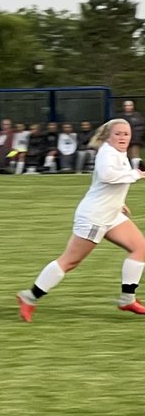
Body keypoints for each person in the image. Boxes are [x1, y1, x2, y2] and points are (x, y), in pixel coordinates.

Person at [16, 119, 145, 321]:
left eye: (126, 134)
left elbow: (105, 183)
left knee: (141, 248)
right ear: (108, 136)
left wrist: (119, 202)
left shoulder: (118, 152)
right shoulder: (107, 152)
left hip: (111, 214)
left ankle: (127, 299)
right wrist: (135, 174)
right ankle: (29, 297)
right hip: (95, 217)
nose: (122, 137)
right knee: (69, 261)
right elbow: (106, 175)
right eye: (118, 134)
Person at [122, 100, 144, 166]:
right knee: (126, 155)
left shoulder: (138, 116)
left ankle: (136, 169)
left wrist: (138, 135)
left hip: (136, 139)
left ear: (133, 106)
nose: (128, 107)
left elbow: (141, 127)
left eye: (130, 105)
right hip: (124, 139)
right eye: (126, 105)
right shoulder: (121, 116)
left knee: (135, 155)